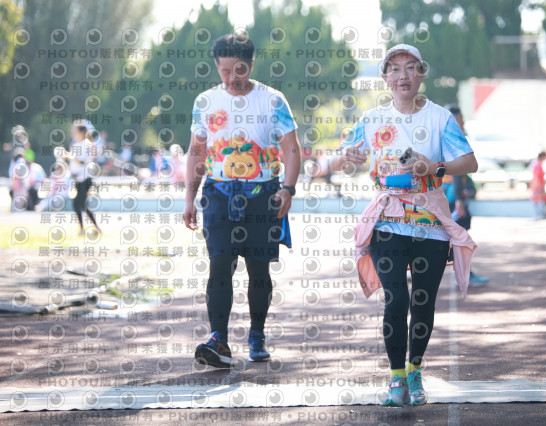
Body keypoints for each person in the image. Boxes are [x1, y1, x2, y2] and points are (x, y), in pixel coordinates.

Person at [330, 44, 478, 407]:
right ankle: (396, 378)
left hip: (430, 222)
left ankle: (414, 370)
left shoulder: (440, 118)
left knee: (422, 302)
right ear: (384, 77)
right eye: (394, 69)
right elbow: (337, 159)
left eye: (410, 67)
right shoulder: (372, 119)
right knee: (396, 299)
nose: (403, 75)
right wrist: (345, 156)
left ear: (421, 73)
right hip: (388, 220)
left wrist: (434, 167)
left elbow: (470, 163)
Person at [183, 34, 301, 368]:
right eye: (224, 71)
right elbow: (196, 151)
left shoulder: (272, 100)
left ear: (250, 64)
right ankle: (218, 339)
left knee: (258, 269)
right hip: (218, 194)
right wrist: (189, 198)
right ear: (216, 67)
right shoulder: (206, 101)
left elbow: (292, 149)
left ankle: (257, 334)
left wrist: (288, 189)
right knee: (220, 264)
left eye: (239, 69)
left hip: (263, 196)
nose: (232, 77)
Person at [444, 104, 488, 287]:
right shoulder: (452, 138)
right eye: (461, 119)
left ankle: (412, 270)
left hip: (444, 193)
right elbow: (457, 172)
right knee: (460, 235)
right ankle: (464, 275)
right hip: (450, 194)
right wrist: (459, 201)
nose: (463, 123)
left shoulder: (440, 136)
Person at [66, 120, 101, 235]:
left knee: (76, 204)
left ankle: (82, 229)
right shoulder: (76, 144)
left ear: (81, 132)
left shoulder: (86, 144)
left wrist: (68, 156)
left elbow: (81, 162)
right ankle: (96, 228)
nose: (73, 133)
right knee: (84, 205)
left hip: (85, 179)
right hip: (78, 179)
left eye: (75, 131)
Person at [530, 151, 546, 220]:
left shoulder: (535, 164)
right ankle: (539, 215)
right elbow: (538, 177)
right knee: (539, 200)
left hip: (535, 185)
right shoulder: (538, 165)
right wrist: (542, 187)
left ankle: (537, 215)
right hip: (538, 185)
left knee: (536, 200)